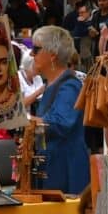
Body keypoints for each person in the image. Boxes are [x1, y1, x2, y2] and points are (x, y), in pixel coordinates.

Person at [28, 26, 90, 195]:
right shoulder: (53, 85)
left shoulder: (70, 86)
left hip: (65, 168)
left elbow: (60, 123)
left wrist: (25, 120)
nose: (32, 54)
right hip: (53, 166)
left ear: (52, 55)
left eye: (36, 49)